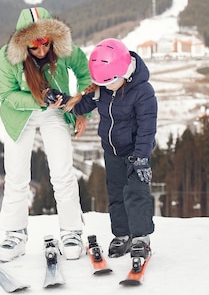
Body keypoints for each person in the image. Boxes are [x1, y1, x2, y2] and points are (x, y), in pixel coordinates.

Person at [0, 7, 91, 261]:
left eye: (45, 45)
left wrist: (81, 110)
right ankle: (15, 233)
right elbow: (6, 95)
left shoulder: (62, 50)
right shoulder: (8, 57)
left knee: (62, 171)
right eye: (34, 48)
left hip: (54, 111)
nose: (41, 52)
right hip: (20, 113)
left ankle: (71, 231)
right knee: (16, 175)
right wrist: (38, 98)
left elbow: (85, 74)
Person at [61, 38, 157, 258]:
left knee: (136, 193)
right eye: (103, 83)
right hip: (112, 150)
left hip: (135, 153)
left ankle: (141, 237)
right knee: (116, 193)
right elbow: (82, 106)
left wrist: (141, 156)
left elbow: (147, 127)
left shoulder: (143, 91)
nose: (107, 87)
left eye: (111, 82)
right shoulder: (102, 88)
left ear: (123, 72)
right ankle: (122, 235)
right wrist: (62, 100)